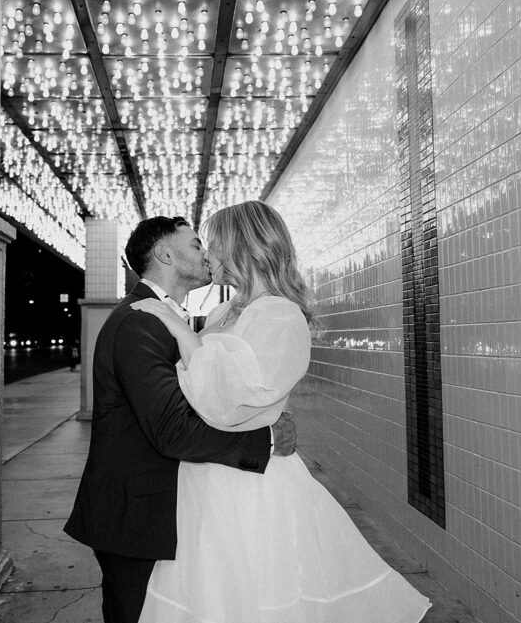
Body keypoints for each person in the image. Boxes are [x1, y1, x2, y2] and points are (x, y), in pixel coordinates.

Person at [129, 201, 431, 623]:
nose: (208, 254)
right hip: (206, 479)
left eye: (214, 244)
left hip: (250, 488)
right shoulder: (222, 312)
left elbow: (228, 402)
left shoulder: (279, 314)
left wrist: (179, 331)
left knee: (259, 597)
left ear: (241, 246)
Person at [64, 215, 297, 623]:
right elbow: (173, 430)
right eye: (195, 245)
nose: (207, 254)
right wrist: (266, 441)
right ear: (165, 254)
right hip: (137, 517)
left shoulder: (173, 318)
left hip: (173, 508)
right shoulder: (141, 321)